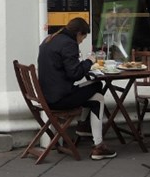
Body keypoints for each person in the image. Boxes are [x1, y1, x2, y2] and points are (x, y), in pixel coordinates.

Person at [37, 17, 115, 160]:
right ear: (79, 33)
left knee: (96, 86)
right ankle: (98, 146)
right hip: (59, 99)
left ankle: (83, 126)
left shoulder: (50, 39)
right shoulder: (69, 44)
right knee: (98, 97)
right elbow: (75, 74)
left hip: (47, 96)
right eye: (83, 38)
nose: (82, 41)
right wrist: (89, 62)